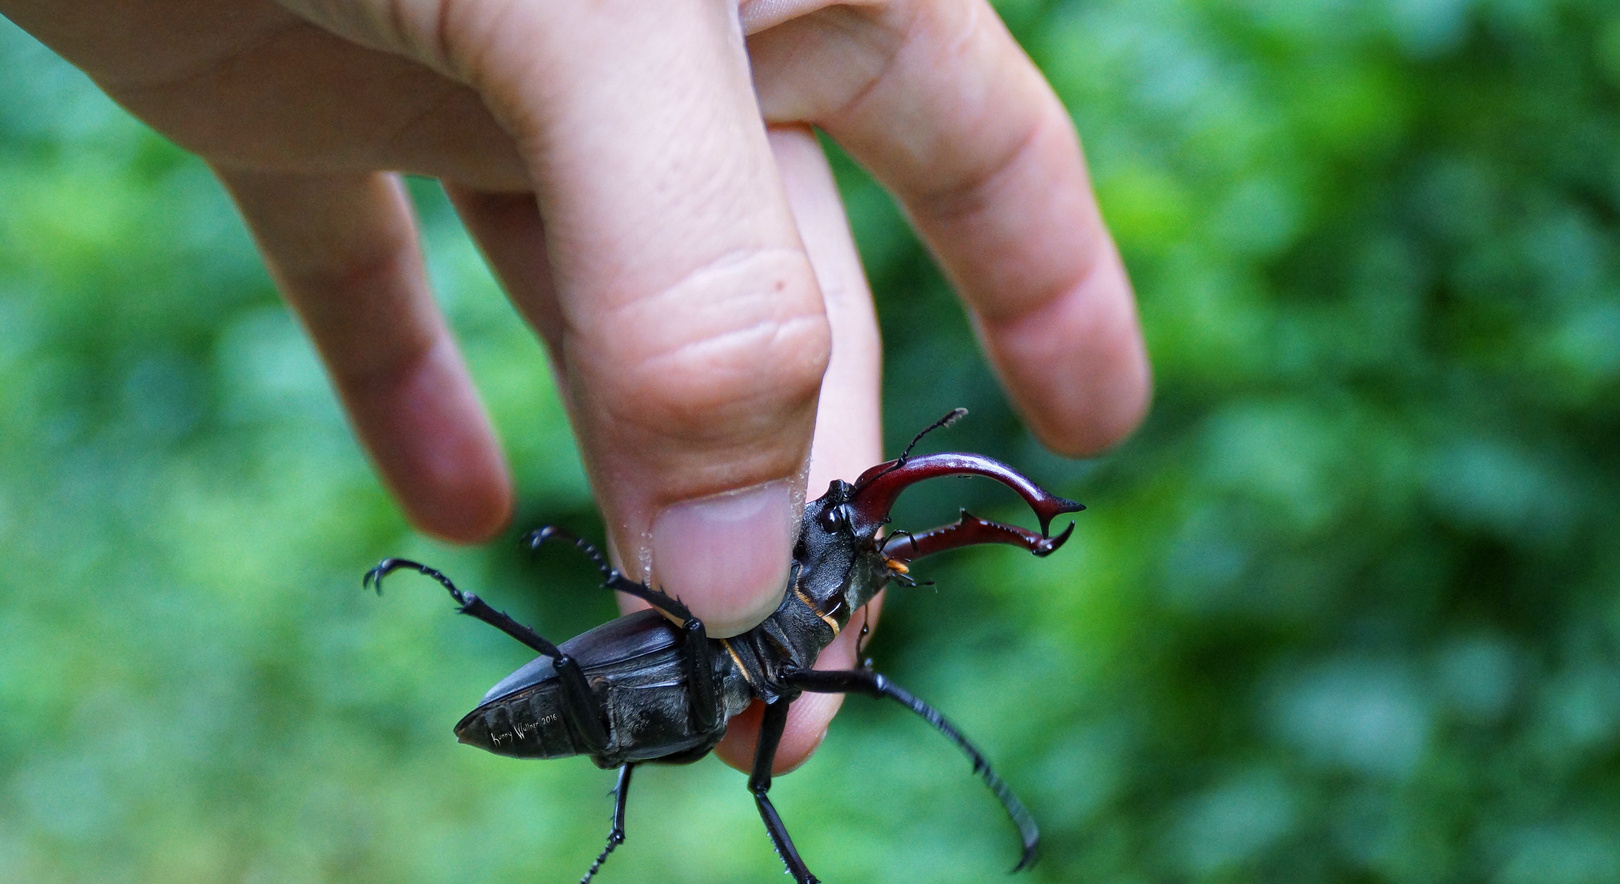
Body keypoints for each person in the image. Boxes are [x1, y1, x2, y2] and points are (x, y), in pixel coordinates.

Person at [3, 0, 1149, 771]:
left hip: (649, 706)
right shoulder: (778, 637)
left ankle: (463, 596)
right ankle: (458, 594)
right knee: (670, 687)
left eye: (854, 559)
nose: (859, 540)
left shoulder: (781, 651)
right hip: (648, 697)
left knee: (695, 704)